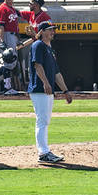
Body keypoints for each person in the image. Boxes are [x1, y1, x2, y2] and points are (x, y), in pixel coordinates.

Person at [29, 21, 72, 163]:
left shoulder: (49, 48)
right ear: (42, 32)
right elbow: (37, 65)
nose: (53, 32)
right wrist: (45, 82)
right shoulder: (38, 45)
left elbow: (56, 73)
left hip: (47, 89)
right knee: (42, 120)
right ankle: (43, 153)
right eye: (50, 30)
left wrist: (65, 90)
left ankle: (45, 151)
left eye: (53, 29)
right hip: (39, 88)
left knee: (45, 121)